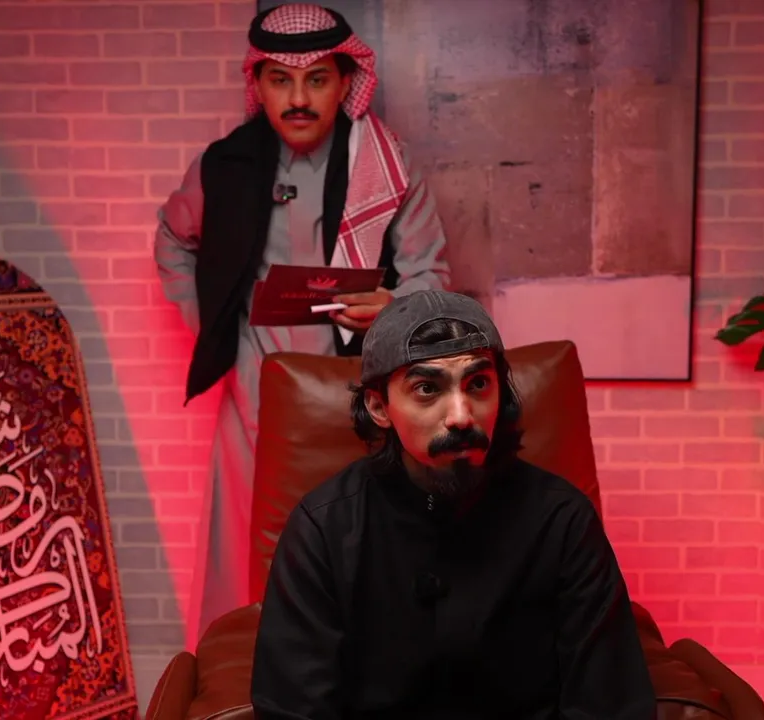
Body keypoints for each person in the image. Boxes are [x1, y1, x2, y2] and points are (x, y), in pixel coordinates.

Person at [153, 3, 450, 644]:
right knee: (245, 555)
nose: (297, 99)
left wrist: (393, 307)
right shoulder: (225, 165)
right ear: (257, 84)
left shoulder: (385, 164)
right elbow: (174, 240)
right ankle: (239, 681)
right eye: (280, 81)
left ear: (345, 83)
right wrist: (218, 326)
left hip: (358, 391)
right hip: (254, 388)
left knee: (358, 551)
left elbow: (430, 275)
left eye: (316, 80)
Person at [251, 290, 656, 719]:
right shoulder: (323, 528)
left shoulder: (562, 522)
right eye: (427, 389)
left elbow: (610, 705)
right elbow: (292, 710)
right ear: (379, 407)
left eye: (478, 384)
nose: (461, 415)